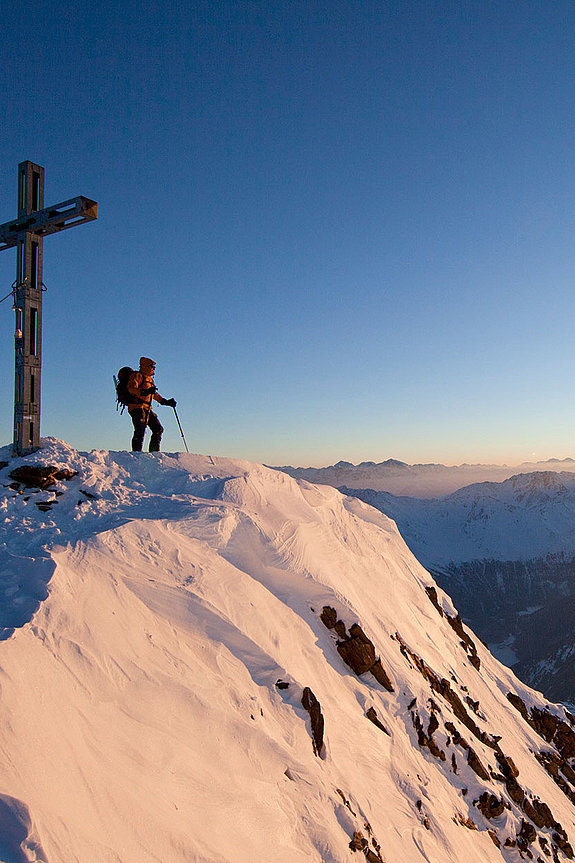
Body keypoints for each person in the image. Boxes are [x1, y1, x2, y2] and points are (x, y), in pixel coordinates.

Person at [126, 357, 176, 452]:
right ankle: (137, 453)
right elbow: (131, 389)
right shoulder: (137, 375)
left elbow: (154, 394)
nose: (154, 369)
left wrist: (166, 402)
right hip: (136, 407)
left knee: (158, 429)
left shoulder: (149, 379)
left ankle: (154, 453)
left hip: (147, 408)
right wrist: (145, 391)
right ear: (146, 366)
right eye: (152, 367)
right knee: (140, 430)